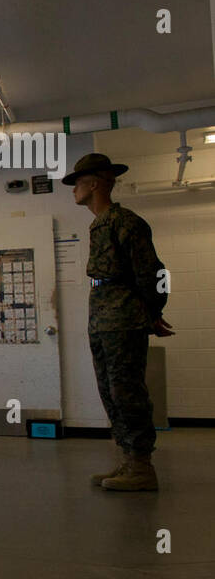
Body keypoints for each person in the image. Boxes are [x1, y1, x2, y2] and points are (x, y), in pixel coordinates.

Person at [66, 152, 172, 491]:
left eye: (77, 184)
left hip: (123, 319)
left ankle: (142, 466)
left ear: (94, 183)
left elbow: (155, 274)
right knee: (110, 392)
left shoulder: (125, 222)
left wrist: (152, 313)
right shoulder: (99, 225)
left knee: (127, 392)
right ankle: (128, 461)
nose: (73, 191)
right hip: (102, 320)